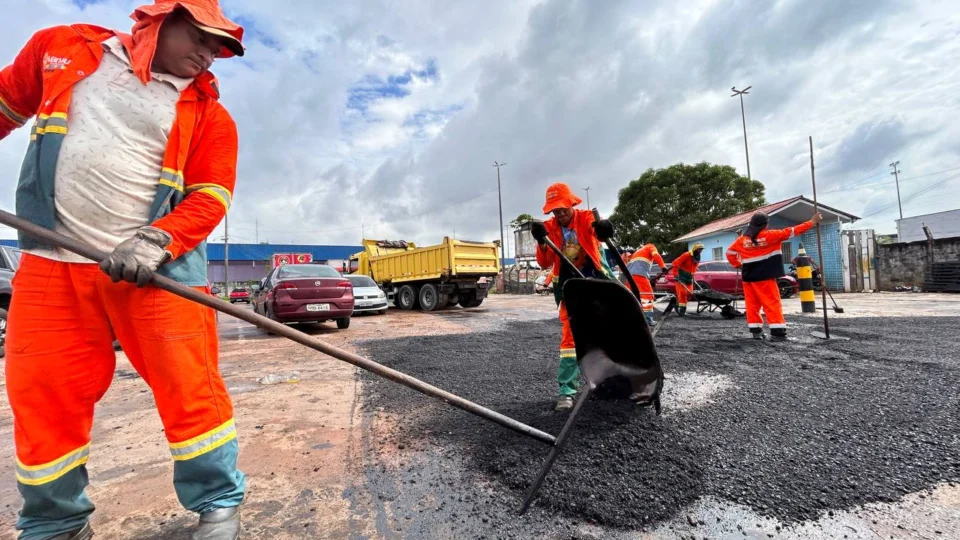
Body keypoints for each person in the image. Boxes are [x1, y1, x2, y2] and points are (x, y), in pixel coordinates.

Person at [1, 2, 246, 539]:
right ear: (159, 20)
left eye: (220, 50)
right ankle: (55, 523)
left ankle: (218, 505)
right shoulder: (61, 50)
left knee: (191, 389)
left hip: (159, 272)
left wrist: (157, 239)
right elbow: (4, 105)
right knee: (43, 394)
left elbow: (210, 197)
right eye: (202, 38)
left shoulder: (208, 115)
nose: (209, 55)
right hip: (52, 264)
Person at [530, 183, 615, 411]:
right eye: (554, 210)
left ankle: (614, 380)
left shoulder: (585, 217)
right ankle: (566, 391)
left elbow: (595, 229)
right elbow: (544, 263)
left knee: (613, 327)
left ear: (571, 203)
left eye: (562, 209)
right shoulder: (549, 228)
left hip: (597, 280)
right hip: (571, 288)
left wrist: (603, 229)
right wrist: (540, 241)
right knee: (570, 339)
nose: (559, 214)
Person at [726, 211, 823, 341]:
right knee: (772, 303)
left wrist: (738, 264)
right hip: (765, 278)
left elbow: (729, 252)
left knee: (752, 305)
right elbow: (793, 231)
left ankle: (756, 332)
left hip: (748, 278)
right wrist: (812, 222)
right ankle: (778, 334)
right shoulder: (770, 236)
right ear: (765, 225)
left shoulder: (742, 240)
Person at [627, 243, 668, 326]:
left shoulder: (638, 252)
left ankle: (629, 318)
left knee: (632, 297)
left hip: (628, 277)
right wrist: (663, 266)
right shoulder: (651, 246)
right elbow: (656, 255)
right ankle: (648, 320)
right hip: (639, 275)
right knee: (647, 296)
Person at [670, 243, 704, 316]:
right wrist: (676, 275)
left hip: (689, 278)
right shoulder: (686, 255)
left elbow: (694, 267)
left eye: (701, 249)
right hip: (681, 277)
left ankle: (678, 304)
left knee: (689, 293)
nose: (700, 251)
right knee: (682, 293)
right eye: (699, 249)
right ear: (695, 249)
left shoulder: (697, 257)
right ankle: (681, 311)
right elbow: (675, 263)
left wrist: (692, 275)